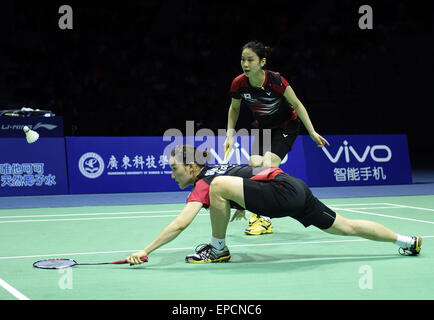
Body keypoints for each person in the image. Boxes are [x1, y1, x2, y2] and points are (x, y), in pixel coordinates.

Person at [126, 145, 422, 265]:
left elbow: (181, 223)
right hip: (295, 187)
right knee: (346, 226)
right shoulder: (222, 170)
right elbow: (255, 168)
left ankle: (218, 249)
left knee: (219, 188)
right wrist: (241, 201)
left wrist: (145, 251)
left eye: (174, 169)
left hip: (280, 194)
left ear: (191, 167)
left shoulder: (208, 181)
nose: (172, 174)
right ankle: (408, 240)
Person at [223, 40, 329, 235]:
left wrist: (312, 131)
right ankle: (258, 210)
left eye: (250, 60)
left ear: (262, 62)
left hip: (287, 126)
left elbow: (297, 104)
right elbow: (234, 108)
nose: (245, 64)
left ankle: (265, 219)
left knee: (269, 163)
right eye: (242, 60)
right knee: (255, 164)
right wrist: (230, 133)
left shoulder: (276, 81)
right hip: (263, 127)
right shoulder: (239, 83)